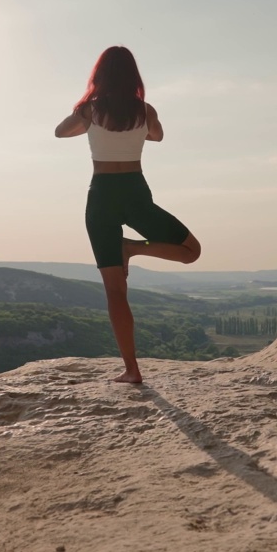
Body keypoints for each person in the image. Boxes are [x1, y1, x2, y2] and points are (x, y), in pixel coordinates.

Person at [54, 45, 201, 383]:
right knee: (191, 251)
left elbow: (61, 131)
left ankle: (132, 369)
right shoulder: (145, 111)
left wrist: (86, 113)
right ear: (133, 76)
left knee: (115, 292)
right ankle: (132, 247)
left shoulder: (88, 110)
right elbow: (158, 136)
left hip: (102, 195)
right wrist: (139, 125)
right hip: (135, 192)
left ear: (99, 76)